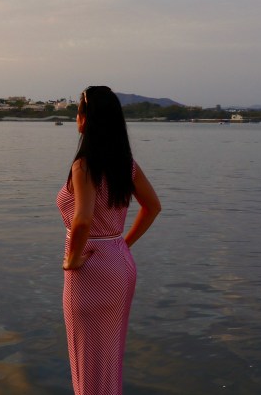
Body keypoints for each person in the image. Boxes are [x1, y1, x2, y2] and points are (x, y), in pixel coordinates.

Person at [56, 86, 162, 394]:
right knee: (109, 356)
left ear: (86, 119)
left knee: (87, 358)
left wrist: (73, 259)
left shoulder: (84, 165)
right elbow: (153, 207)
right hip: (119, 263)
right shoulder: (126, 164)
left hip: (90, 268)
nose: (76, 118)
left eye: (79, 112)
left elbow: (83, 219)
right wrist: (122, 245)